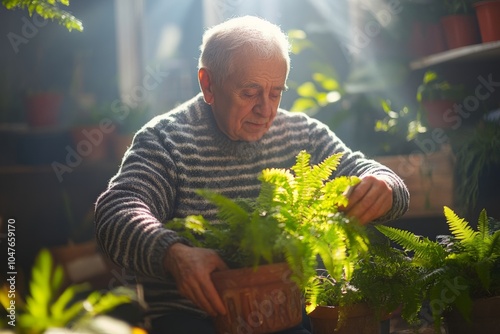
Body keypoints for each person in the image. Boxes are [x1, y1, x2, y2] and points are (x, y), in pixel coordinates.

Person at [95, 15, 409, 334]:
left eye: (276, 93)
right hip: (193, 319)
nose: (266, 110)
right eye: (250, 93)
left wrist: (385, 187)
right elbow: (116, 211)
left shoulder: (303, 136)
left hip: (286, 313)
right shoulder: (166, 140)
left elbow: (373, 174)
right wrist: (172, 253)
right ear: (208, 84)